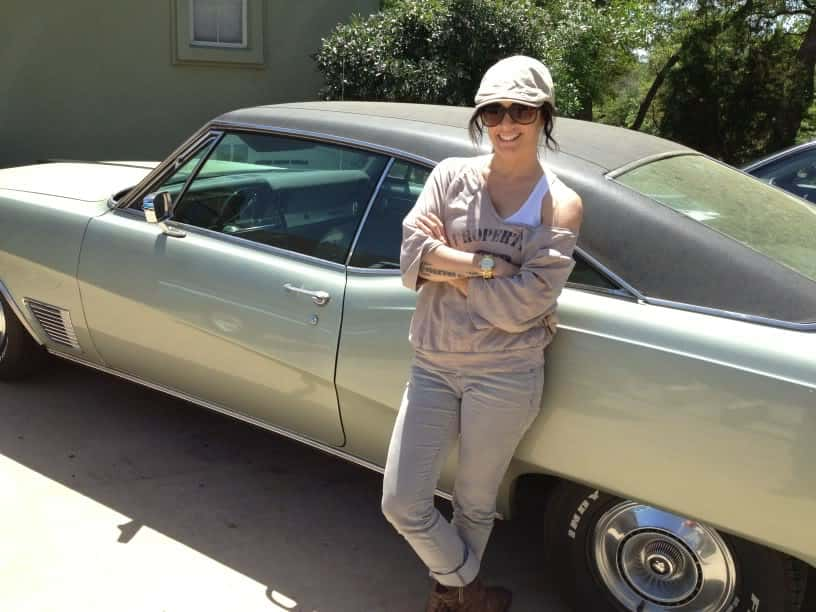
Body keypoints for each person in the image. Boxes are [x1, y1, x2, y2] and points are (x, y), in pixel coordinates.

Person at [381, 55, 583, 612]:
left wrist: (453, 267)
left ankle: (451, 598)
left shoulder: (559, 204)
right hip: (433, 360)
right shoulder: (451, 176)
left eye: (521, 109)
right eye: (493, 111)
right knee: (402, 501)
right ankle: (473, 591)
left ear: (544, 115)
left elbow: (524, 307)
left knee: (473, 501)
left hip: (508, 371)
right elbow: (408, 259)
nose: (506, 123)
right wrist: (490, 266)